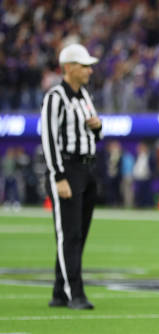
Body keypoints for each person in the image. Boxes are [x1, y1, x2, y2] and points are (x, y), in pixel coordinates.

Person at [41, 43, 102, 310]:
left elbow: (93, 134)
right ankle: (74, 292)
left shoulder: (84, 96)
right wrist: (58, 176)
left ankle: (59, 291)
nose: (89, 70)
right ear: (69, 67)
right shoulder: (56, 97)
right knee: (69, 234)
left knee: (79, 233)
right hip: (67, 169)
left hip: (87, 169)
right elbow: (49, 139)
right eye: (84, 65)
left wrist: (98, 128)